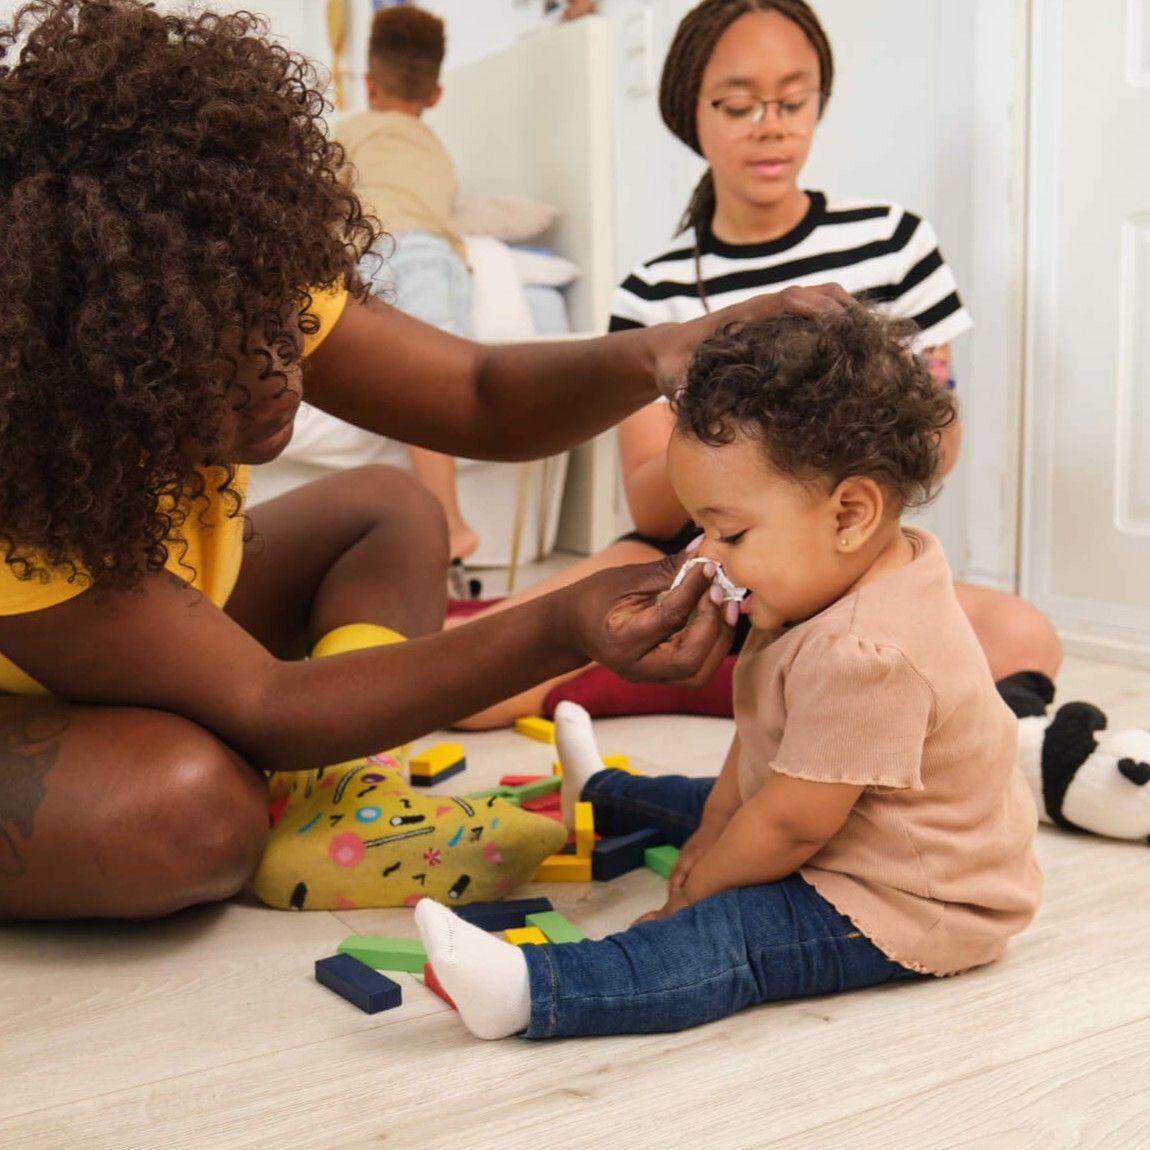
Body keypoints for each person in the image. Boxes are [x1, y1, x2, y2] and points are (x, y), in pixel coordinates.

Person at [0, 0, 848, 922]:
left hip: (157, 630)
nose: (287, 369)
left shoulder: (228, 275)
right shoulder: (22, 479)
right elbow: (265, 701)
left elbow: (478, 392)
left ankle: (339, 797)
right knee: (190, 811)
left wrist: (666, 349)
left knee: (388, 508)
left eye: (287, 324)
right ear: (105, 358)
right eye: (231, 354)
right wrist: (558, 626)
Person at [416, 306, 1043, 1040]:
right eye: (703, 528)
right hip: (845, 825)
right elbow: (758, 750)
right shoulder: (828, 573)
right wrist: (712, 828)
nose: (708, 553)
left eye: (731, 531)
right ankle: (606, 793)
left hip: (910, 899)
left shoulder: (866, 652)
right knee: (710, 806)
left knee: (730, 934)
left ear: (850, 515)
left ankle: (538, 990)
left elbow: (786, 828)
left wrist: (697, 887)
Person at [453, 0, 1062, 729]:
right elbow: (651, 503)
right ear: (693, 112)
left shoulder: (893, 242)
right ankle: (755, 679)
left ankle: (754, 675)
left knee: (1024, 639)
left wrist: (806, 475)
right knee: (470, 684)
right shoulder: (654, 292)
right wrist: (767, 450)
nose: (770, 125)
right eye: (738, 105)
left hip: (847, 564)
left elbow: (935, 440)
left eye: (794, 101)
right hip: (699, 560)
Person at [336, 5, 478, 563]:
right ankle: (449, 516)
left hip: (377, 252)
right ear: (436, 96)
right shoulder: (437, 150)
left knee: (412, 376)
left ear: (367, 84)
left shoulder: (350, 130)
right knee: (438, 370)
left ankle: (448, 520)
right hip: (435, 257)